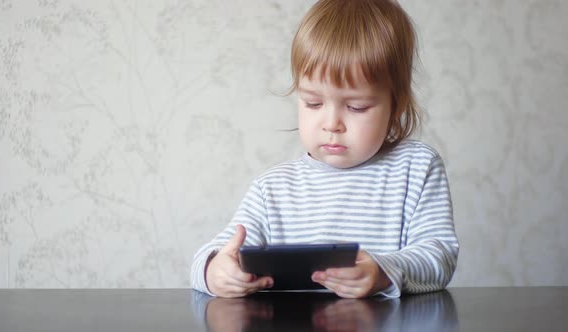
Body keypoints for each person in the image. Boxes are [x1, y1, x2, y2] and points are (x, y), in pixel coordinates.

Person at [190, 0, 459, 299]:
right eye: (313, 103)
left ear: (395, 107)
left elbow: (439, 254)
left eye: (357, 107)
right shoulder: (273, 189)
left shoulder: (417, 168)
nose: (332, 123)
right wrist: (215, 271)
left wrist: (383, 272)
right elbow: (213, 254)